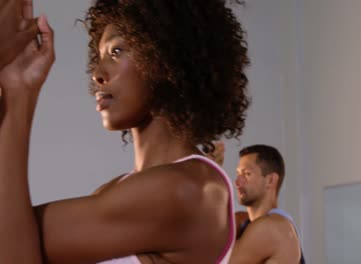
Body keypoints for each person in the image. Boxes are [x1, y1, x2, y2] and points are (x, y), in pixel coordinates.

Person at [0, 0, 250, 263]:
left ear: (166, 58)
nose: (97, 73)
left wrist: (19, 94)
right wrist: (18, 86)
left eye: (117, 51)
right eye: (100, 56)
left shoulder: (186, 190)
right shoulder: (120, 190)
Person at [208, 144, 305, 263]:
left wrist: (210, 174)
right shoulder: (243, 222)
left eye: (247, 174)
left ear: (270, 180)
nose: (237, 181)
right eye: (238, 174)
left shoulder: (274, 226)